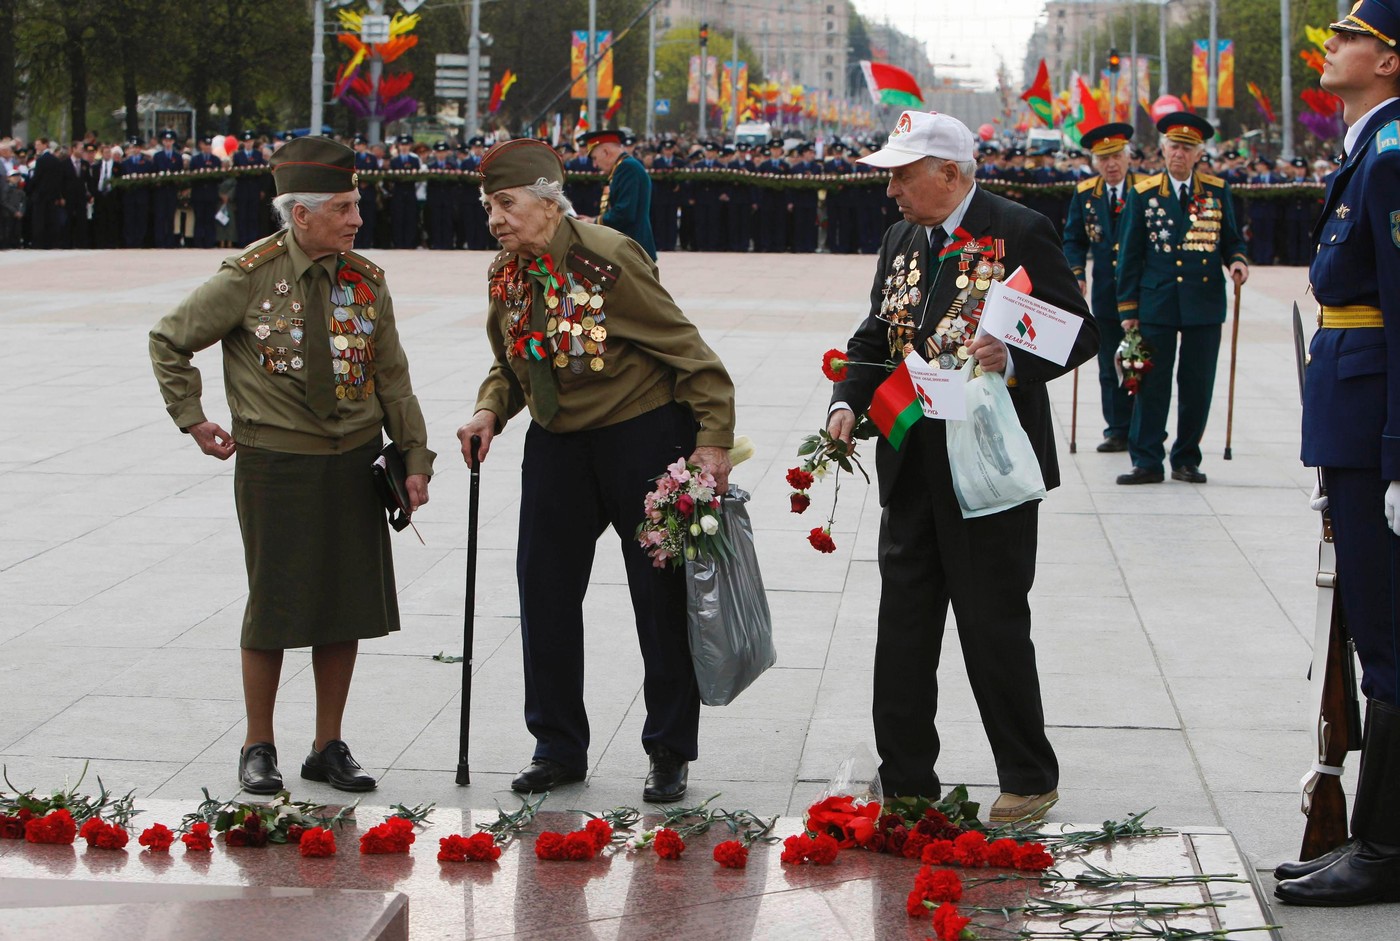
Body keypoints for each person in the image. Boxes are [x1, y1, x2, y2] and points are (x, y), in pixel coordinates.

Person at [826, 111, 1097, 823]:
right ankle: (907, 778)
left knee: (992, 621)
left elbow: (1080, 327)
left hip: (987, 463)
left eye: (903, 175)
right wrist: (847, 401)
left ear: (950, 173)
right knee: (903, 624)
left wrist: (1015, 358)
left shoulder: (1020, 228)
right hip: (910, 452)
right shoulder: (900, 238)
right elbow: (874, 334)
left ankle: (1029, 775)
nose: (891, 191)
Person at [149, 136, 434, 795]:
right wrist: (192, 417)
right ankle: (258, 744)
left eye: (356, 205)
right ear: (300, 214)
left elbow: (393, 377)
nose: (357, 219)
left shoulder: (366, 281)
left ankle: (327, 745)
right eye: (343, 207)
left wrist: (414, 457)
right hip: (276, 464)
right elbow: (169, 338)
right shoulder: (251, 275)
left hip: (356, 461)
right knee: (275, 603)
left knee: (347, 604)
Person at [455, 139, 734, 802]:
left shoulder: (607, 257)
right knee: (544, 589)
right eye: (488, 206)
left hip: (639, 435)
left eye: (506, 204)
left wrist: (713, 441)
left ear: (549, 204)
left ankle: (668, 747)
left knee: (658, 599)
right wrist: (489, 410)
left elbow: (689, 352)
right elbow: (512, 361)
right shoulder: (506, 273)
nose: (495, 219)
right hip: (557, 444)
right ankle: (557, 744)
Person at [1274, 0, 1400, 906]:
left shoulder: (1392, 159)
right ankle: (1370, 835)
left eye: (1352, 35)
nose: (1333, 44)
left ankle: (1386, 851)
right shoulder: (1367, 148)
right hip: (1353, 423)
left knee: (1391, 642)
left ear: (1390, 62)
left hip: (1377, 431)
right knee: (1373, 626)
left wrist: (1399, 457)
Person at [1113, 112, 1249, 485]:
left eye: (1187, 148)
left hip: (1203, 303)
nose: (1179, 154)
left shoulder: (1217, 191)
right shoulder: (1143, 194)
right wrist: (1128, 308)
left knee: (1197, 385)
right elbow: (1130, 255)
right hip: (1156, 302)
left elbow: (1232, 240)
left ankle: (1186, 457)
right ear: (1163, 149)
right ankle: (1146, 459)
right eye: (1174, 146)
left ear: (1198, 154)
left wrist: (1237, 261)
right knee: (1150, 383)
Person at [1062, 123, 1139, 453]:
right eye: (1104, 158)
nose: (1111, 164)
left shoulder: (1144, 189)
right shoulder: (1085, 194)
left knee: (1137, 360)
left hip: (1138, 291)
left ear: (1127, 158)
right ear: (1095, 162)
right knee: (1109, 362)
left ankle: (1141, 427)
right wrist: (1077, 272)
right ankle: (1116, 428)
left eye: (1117, 156)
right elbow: (1073, 239)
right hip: (1106, 293)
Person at [578, 130, 657, 260]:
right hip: (630, 248)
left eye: (595, 158)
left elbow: (625, 213)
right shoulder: (623, 167)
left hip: (632, 250)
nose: (595, 165)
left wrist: (593, 221)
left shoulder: (627, 168)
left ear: (606, 152)